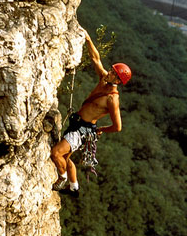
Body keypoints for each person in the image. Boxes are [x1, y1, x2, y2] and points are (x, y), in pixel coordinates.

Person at [51, 29, 132, 197]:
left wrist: (101, 129)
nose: (108, 72)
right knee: (65, 158)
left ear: (118, 80)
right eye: (111, 70)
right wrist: (87, 38)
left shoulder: (112, 99)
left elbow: (118, 127)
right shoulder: (104, 78)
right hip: (78, 124)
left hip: (82, 131)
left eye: (113, 73)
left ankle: (62, 179)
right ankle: (74, 188)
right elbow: (96, 58)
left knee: (56, 153)